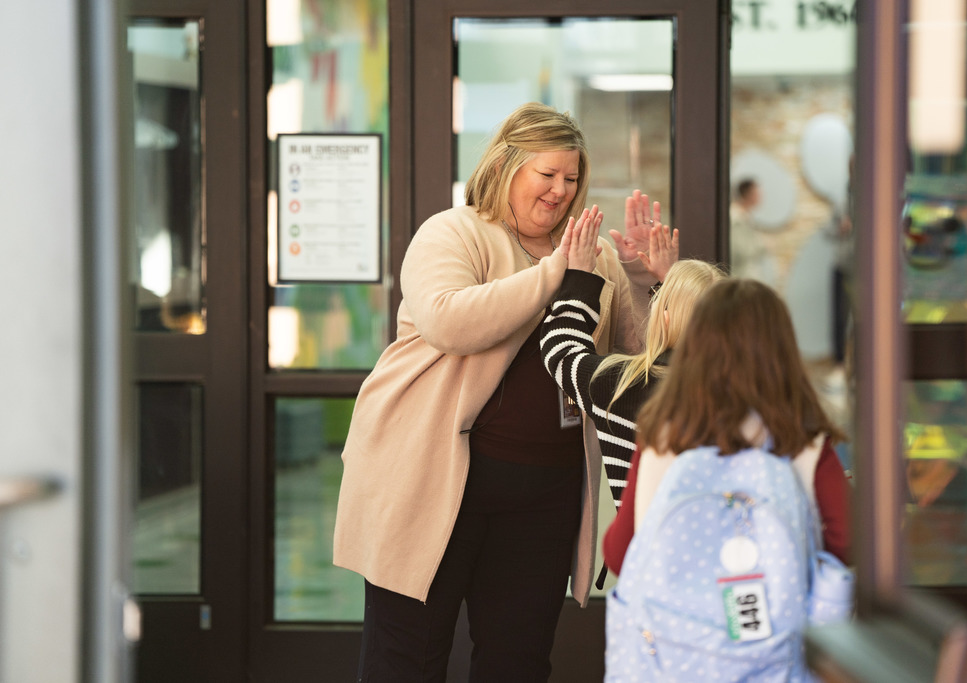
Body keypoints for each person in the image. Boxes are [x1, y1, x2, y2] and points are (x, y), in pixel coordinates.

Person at [332, 101, 660, 682]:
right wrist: (557, 274)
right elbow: (447, 322)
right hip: (434, 481)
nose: (561, 190)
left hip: (544, 493)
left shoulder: (592, 250)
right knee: (406, 659)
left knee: (519, 661)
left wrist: (641, 280)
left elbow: (629, 366)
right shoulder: (453, 232)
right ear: (508, 167)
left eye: (572, 176)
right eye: (547, 174)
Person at [604, 278, 852, 681]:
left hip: (674, 662)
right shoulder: (803, 443)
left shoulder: (663, 438)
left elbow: (619, 554)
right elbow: (848, 540)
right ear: (782, 352)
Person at [541, 231, 726, 509]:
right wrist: (671, 287)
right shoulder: (740, 391)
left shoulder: (624, 384)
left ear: (663, 317)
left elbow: (561, 349)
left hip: (640, 549)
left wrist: (579, 277)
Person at [729, 177, 772, 283]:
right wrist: (763, 245)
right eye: (757, 192)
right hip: (740, 280)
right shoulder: (736, 218)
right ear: (748, 194)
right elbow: (740, 251)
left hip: (747, 278)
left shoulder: (746, 217)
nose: (760, 196)